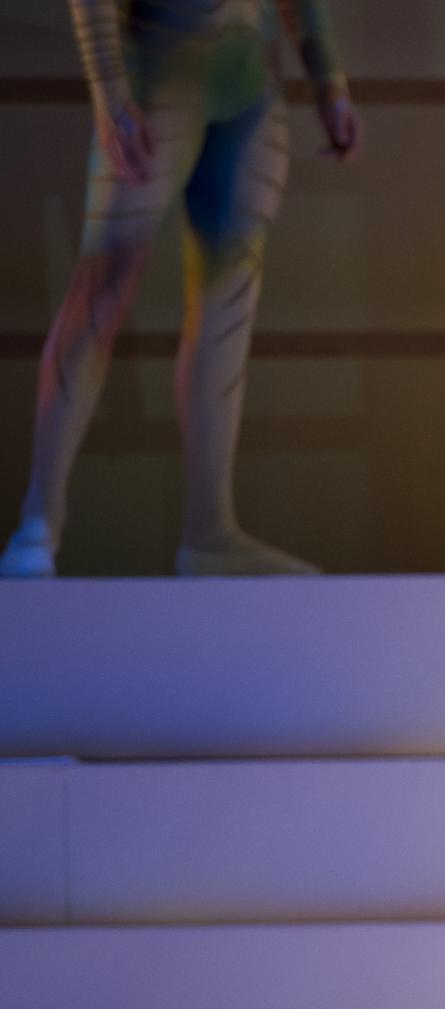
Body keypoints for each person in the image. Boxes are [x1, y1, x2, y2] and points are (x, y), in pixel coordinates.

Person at [2, 0, 361, 580]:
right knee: (106, 285)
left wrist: (330, 82)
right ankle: (39, 520)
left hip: (246, 82)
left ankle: (210, 530)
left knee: (228, 298)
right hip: (161, 66)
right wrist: (110, 91)